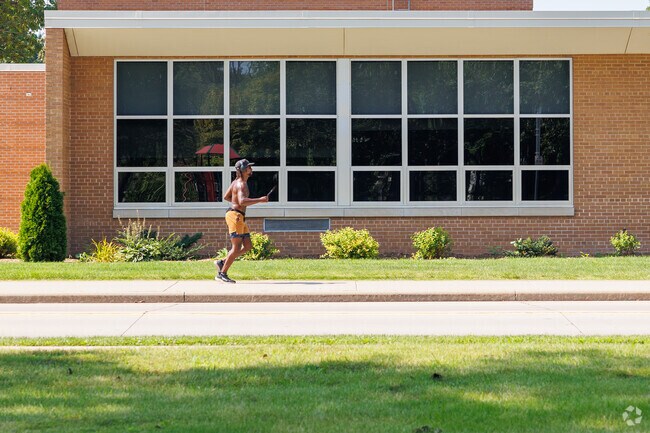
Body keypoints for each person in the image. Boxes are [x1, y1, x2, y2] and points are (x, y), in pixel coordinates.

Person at [215, 159, 269, 283]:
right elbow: (242, 201)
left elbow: (226, 197)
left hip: (238, 216)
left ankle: (222, 262)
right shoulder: (242, 184)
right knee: (236, 247)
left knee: (248, 246)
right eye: (249, 167)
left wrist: (236, 204)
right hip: (236, 217)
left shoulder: (236, 182)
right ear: (244, 170)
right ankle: (222, 273)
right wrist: (260, 200)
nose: (251, 169)